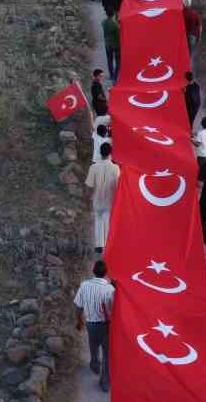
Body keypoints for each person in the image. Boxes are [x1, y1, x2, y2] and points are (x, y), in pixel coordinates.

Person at [73, 261, 115, 391]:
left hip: (90, 324)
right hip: (105, 326)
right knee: (107, 354)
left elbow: (78, 306)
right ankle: (105, 383)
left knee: (93, 345)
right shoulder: (110, 289)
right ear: (106, 273)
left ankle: (95, 366)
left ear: (93, 271)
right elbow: (114, 309)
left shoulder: (84, 285)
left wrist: (79, 321)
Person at [86, 144, 120, 253]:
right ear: (110, 153)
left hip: (97, 199)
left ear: (100, 152)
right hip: (110, 200)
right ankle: (106, 245)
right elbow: (118, 186)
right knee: (107, 223)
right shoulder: (116, 168)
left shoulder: (93, 167)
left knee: (98, 221)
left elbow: (89, 186)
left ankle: (98, 246)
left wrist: (88, 198)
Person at [102, 13, 121, 83]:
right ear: (113, 15)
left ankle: (111, 74)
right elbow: (119, 34)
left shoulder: (103, 22)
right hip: (115, 45)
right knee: (118, 62)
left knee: (109, 60)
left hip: (107, 44)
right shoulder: (115, 25)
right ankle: (115, 77)